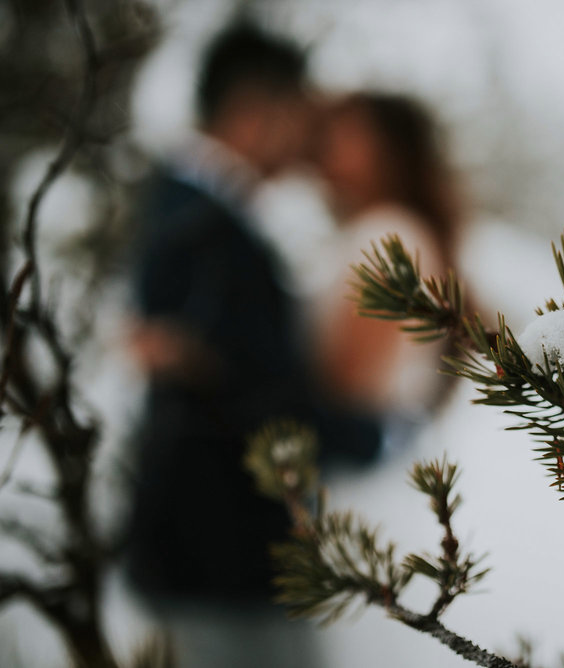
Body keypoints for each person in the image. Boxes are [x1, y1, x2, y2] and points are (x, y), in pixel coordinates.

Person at [124, 23, 376, 667]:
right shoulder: (199, 228)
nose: (304, 137)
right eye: (297, 113)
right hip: (220, 560)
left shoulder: (200, 214)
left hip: (212, 554)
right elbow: (249, 391)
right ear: (254, 111)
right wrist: (372, 434)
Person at [310, 92, 465, 430]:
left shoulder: (388, 235)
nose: (325, 146)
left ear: (389, 153)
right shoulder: (385, 231)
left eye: (346, 135)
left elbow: (351, 382)